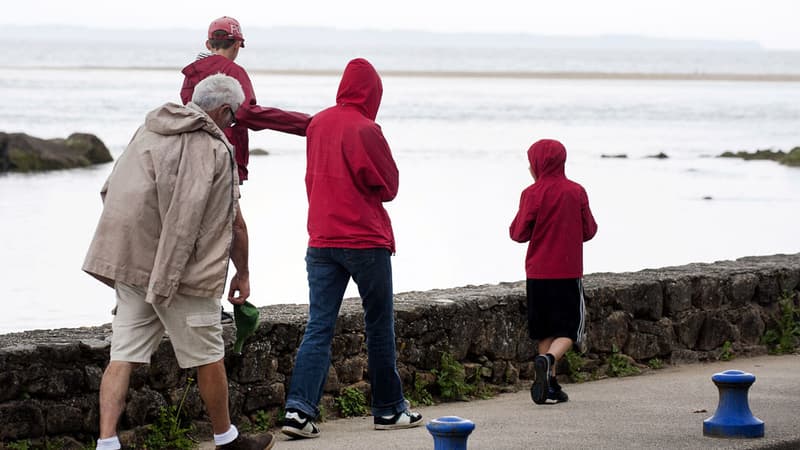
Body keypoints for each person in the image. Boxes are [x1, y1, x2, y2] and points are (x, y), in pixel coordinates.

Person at [83, 74, 273, 450]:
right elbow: (232, 221)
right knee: (207, 356)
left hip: (135, 266)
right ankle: (226, 439)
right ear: (223, 111)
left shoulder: (149, 132)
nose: (232, 125)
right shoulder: (216, 150)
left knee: (122, 355)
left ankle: (106, 443)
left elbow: (113, 192)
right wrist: (243, 272)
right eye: (233, 118)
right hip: (184, 273)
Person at [280, 58, 422, 440]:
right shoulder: (366, 129)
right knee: (378, 325)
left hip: (321, 240)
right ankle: (389, 410)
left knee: (319, 326)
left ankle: (298, 411)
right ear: (373, 93)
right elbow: (389, 187)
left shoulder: (319, 123)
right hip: (364, 240)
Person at [181, 15, 310, 325]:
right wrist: (307, 125)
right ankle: (209, 306)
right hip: (222, 162)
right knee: (225, 230)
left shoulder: (191, 74)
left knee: (191, 231)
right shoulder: (234, 72)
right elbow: (248, 113)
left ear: (208, 43)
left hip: (187, 160)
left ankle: (187, 302)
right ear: (238, 44)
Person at [509, 138, 598, 405]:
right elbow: (589, 230)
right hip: (568, 272)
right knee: (570, 330)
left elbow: (517, 233)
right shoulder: (576, 191)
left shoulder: (531, 193)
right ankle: (548, 361)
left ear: (537, 162)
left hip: (537, 273)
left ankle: (550, 385)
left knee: (545, 330)